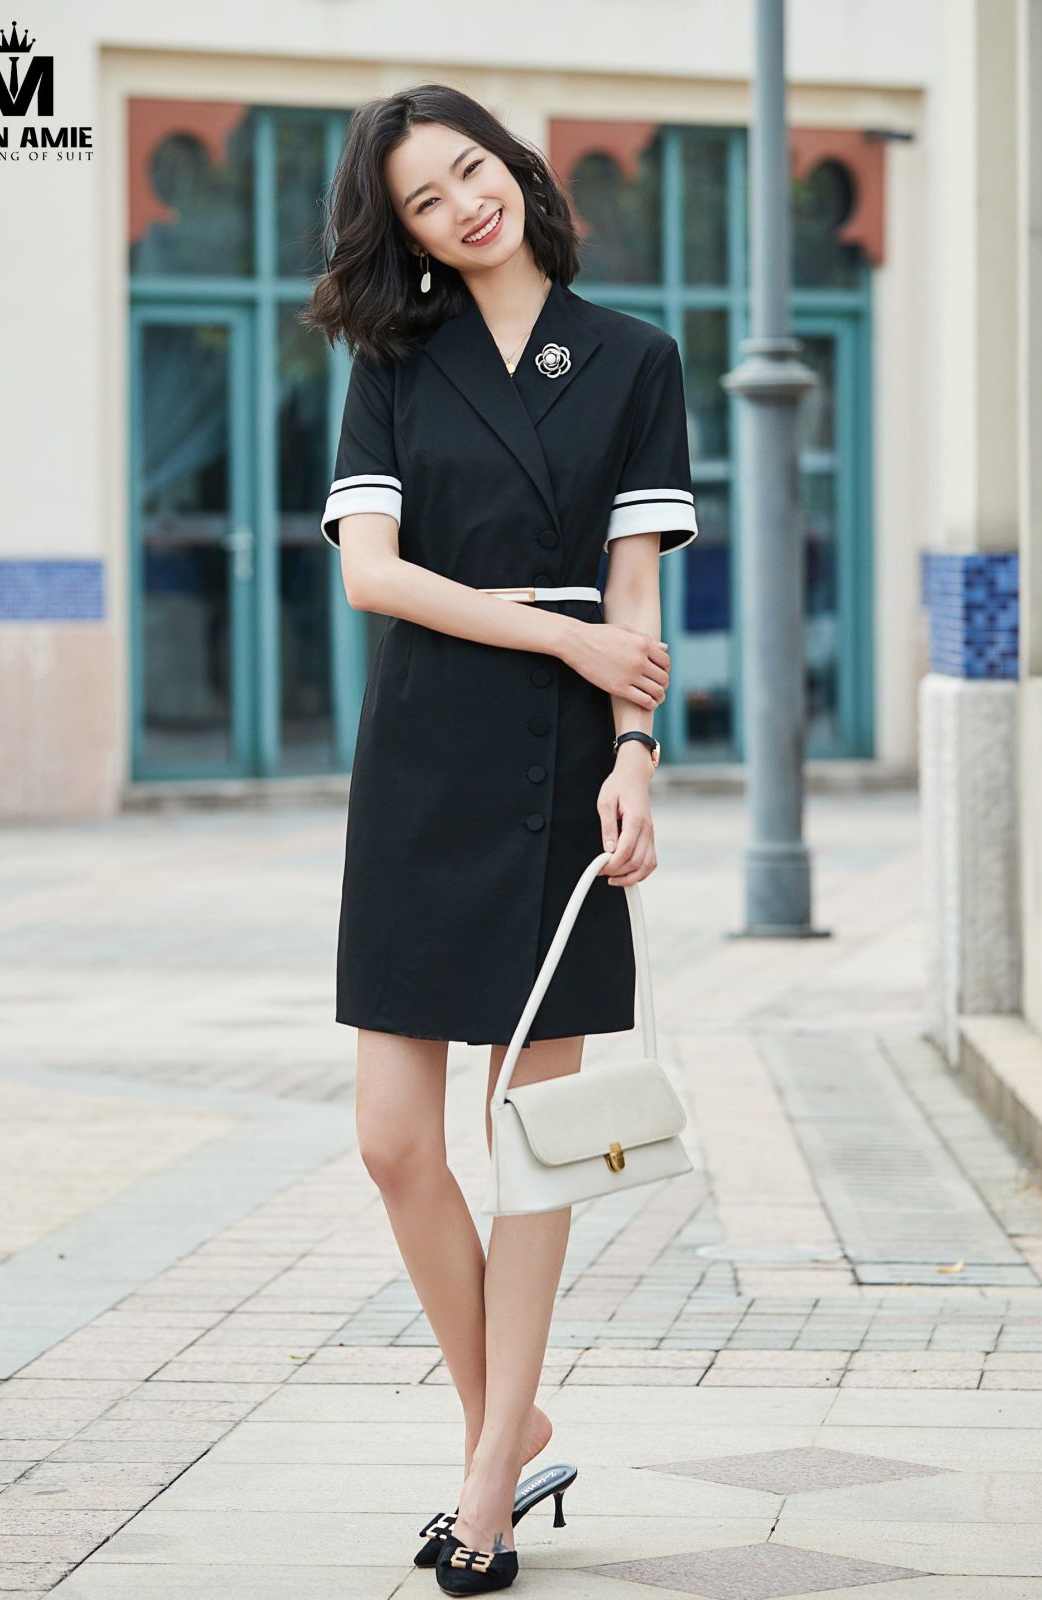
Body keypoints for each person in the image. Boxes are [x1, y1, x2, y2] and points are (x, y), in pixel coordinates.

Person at [303, 82, 697, 1594]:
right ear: (400, 234)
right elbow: (372, 580)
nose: (462, 203)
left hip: (558, 775)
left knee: (528, 1148)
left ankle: (483, 1480)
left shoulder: (636, 360)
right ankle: (513, 1418)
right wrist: (568, 647)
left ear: (513, 169)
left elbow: (634, 587)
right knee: (394, 1140)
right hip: (422, 762)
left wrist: (634, 747)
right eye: (423, 199)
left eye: (470, 169)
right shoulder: (391, 363)